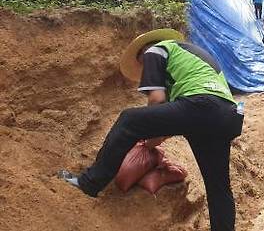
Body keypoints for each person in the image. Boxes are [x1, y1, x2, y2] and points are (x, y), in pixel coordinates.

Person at [58, 29, 244, 231]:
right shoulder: (190, 57)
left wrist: (141, 134)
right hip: (227, 115)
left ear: (142, 54)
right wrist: (150, 142)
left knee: (129, 119)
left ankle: (89, 183)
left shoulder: (155, 50)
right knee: (218, 187)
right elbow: (173, 119)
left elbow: (156, 100)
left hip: (201, 106)